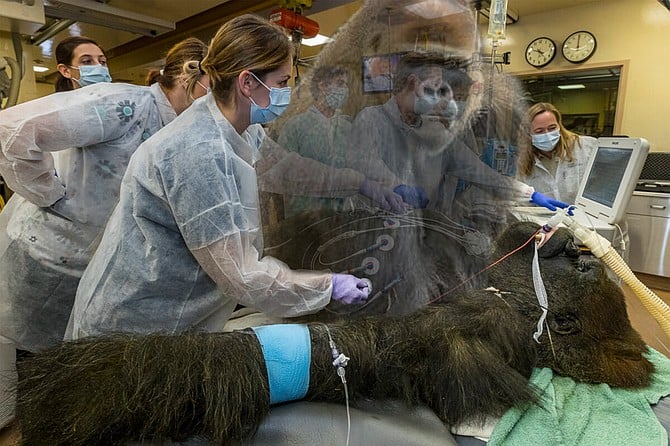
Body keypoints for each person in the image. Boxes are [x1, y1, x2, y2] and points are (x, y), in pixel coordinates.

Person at [68, 14, 392, 339]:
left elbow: (287, 169)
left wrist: (359, 182)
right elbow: (241, 274)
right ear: (247, 82)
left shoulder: (243, 129)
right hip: (134, 322)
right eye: (281, 83)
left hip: (175, 312)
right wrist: (327, 286)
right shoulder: (196, 151)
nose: (288, 91)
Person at [0, 37, 210, 352]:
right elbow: (12, 132)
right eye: (218, 86)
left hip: (97, 262)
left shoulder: (188, 127)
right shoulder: (123, 104)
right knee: (38, 369)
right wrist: (50, 195)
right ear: (187, 77)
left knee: (76, 368)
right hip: (50, 253)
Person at [347, 52, 566, 215]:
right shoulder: (373, 119)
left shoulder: (435, 133)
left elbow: (482, 173)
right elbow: (365, 163)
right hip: (372, 227)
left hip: (419, 231)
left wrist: (529, 194)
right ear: (413, 83)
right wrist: (397, 186)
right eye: (436, 87)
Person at [517, 102, 629, 261]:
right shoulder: (522, 160)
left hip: (591, 232)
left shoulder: (586, 147)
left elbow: (615, 178)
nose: (547, 135)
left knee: (603, 278)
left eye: (552, 128)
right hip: (553, 236)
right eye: (539, 131)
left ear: (559, 125)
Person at [277, 64, 353, 217]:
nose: (345, 89)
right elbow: (284, 175)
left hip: (343, 215)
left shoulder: (347, 127)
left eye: (346, 84)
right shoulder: (295, 127)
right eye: (339, 83)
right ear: (323, 86)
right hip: (305, 218)